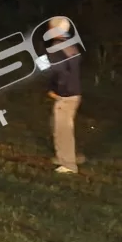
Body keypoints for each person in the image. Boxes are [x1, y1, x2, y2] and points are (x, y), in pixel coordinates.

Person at [47, 17, 84, 174]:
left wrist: (56, 89)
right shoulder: (71, 45)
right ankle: (63, 156)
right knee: (58, 125)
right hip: (75, 91)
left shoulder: (56, 48)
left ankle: (68, 164)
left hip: (66, 94)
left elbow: (59, 71)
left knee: (63, 130)